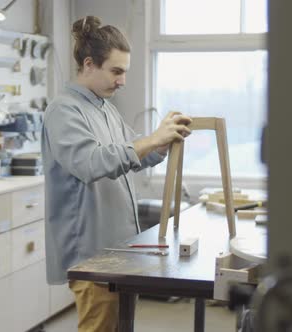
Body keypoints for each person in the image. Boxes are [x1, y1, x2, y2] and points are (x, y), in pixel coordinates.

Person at [42, 16, 192, 332]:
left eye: (124, 72)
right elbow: (92, 163)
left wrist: (163, 141)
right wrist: (150, 139)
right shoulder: (64, 110)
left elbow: (133, 154)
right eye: (116, 71)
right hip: (92, 254)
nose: (122, 80)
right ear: (88, 64)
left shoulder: (105, 108)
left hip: (118, 249)